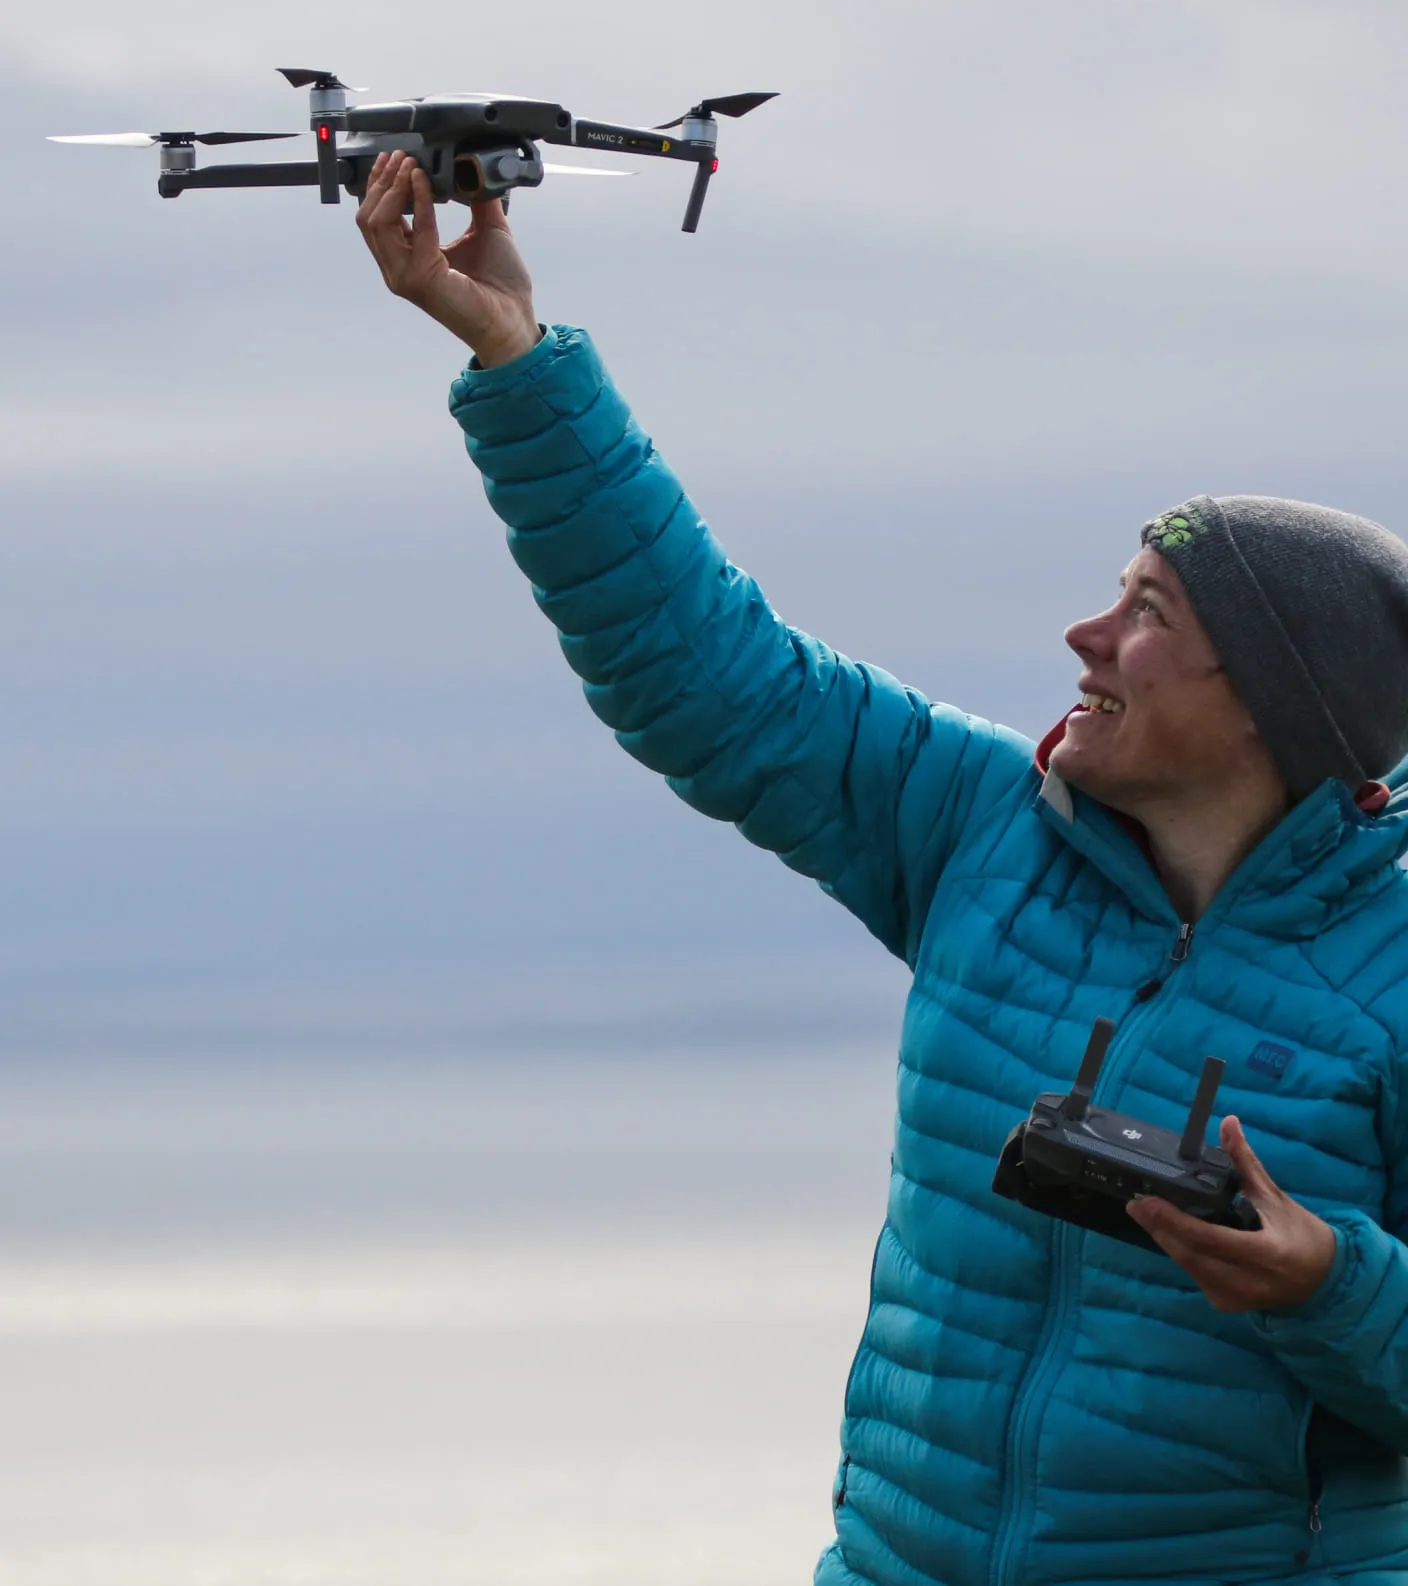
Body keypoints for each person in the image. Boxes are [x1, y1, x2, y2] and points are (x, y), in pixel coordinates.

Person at [356, 150, 1408, 1586]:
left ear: (1270, 706)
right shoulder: (986, 827)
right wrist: (518, 361)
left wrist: (1332, 1285)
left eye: (1145, 614)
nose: (1082, 638)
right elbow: (706, 671)